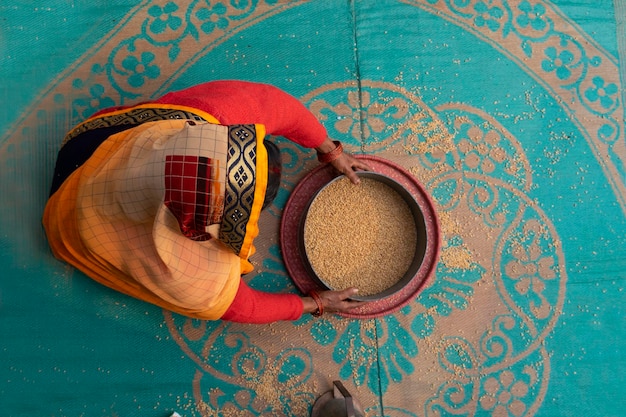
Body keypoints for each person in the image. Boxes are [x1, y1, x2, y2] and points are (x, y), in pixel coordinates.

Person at [43, 80, 372, 323]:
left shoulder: (207, 120)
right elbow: (245, 307)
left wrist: (330, 148)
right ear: (202, 231)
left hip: (88, 148)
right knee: (224, 275)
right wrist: (317, 304)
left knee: (177, 116)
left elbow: (278, 105)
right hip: (69, 227)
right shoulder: (196, 283)